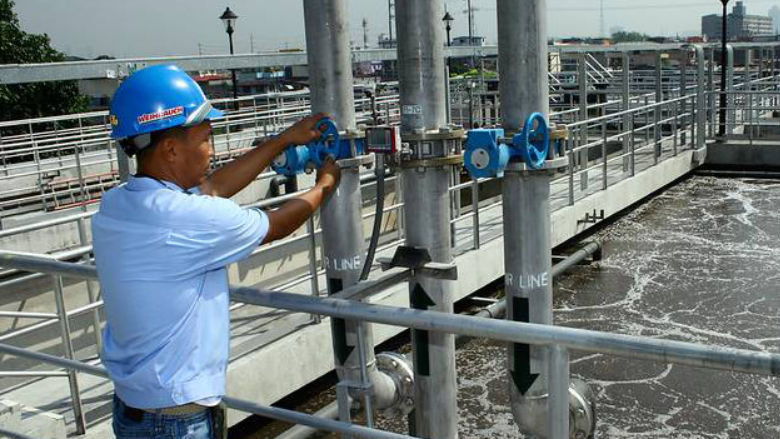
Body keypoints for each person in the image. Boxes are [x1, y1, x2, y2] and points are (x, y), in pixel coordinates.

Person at [91, 64, 341, 439]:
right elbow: (275, 225)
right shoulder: (184, 219)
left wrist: (283, 140)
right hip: (175, 421)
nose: (212, 148)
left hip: (136, 408)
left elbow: (212, 188)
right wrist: (324, 185)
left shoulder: (119, 204)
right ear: (172, 149)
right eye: (206, 138)